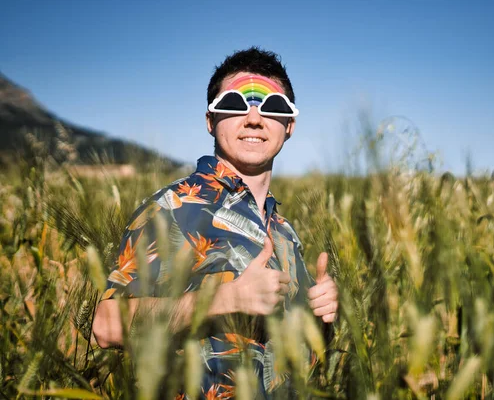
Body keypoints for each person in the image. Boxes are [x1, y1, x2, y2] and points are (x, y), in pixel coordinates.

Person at [92, 47, 338, 399]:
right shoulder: (175, 208)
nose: (254, 119)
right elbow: (105, 325)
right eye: (235, 104)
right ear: (210, 120)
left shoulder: (284, 231)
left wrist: (321, 319)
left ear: (289, 126)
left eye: (273, 107)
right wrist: (225, 298)